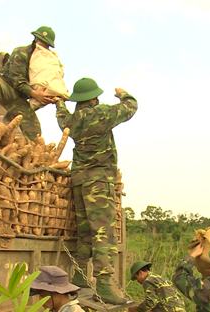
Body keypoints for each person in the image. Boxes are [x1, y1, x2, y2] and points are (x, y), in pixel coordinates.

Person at [54, 77, 137, 304]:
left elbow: (62, 119)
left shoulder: (73, 118)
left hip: (79, 181)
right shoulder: (100, 113)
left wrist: (60, 103)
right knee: (103, 233)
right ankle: (105, 283)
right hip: (99, 182)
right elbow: (131, 108)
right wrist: (123, 94)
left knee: (85, 232)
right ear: (94, 97)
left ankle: (80, 275)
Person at [0, 26, 56, 140]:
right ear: (35, 40)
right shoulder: (20, 53)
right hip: (7, 87)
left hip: (19, 97)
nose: (43, 47)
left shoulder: (44, 61)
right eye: (42, 43)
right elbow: (17, 80)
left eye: (46, 45)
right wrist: (35, 94)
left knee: (34, 132)